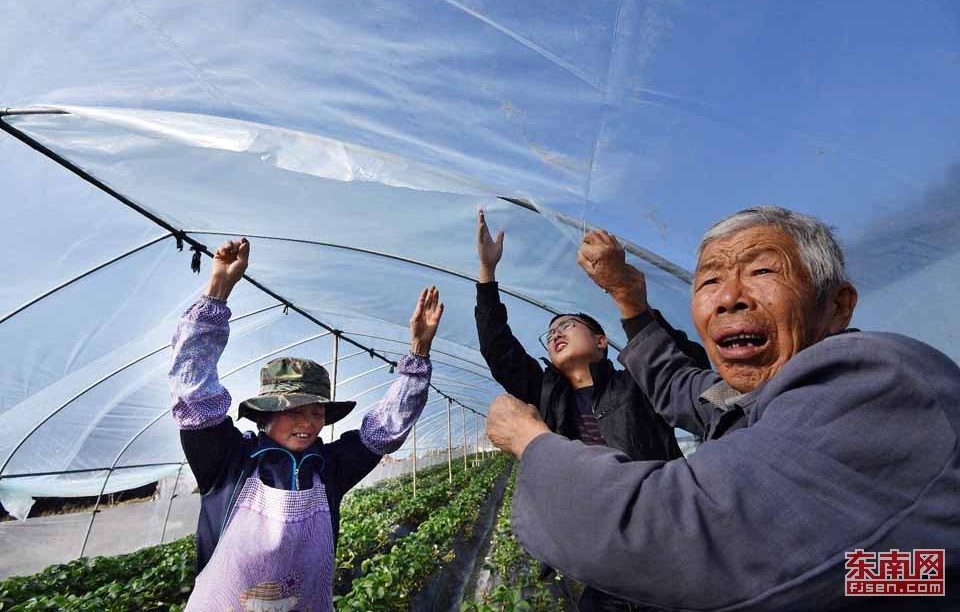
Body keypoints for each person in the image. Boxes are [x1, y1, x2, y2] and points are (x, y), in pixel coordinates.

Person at [486, 206, 960, 611]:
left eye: (761, 271)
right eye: (710, 279)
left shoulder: (869, 378)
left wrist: (530, 441)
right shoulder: (759, 393)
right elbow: (681, 384)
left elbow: (670, 526)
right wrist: (628, 296)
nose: (729, 298)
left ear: (836, 306)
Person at [169, 238, 443, 612]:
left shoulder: (328, 468)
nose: (308, 423)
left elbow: (387, 429)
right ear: (265, 413)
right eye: (293, 410)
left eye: (316, 412)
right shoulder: (228, 461)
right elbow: (193, 390)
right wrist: (217, 292)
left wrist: (418, 355)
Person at [475, 210, 710, 611]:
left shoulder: (636, 382)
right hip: (600, 559)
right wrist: (487, 271)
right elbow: (499, 349)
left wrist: (631, 297)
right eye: (550, 334)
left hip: (663, 543)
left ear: (602, 341)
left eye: (566, 325)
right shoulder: (546, 392)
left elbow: (686, 365)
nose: (556, 333)